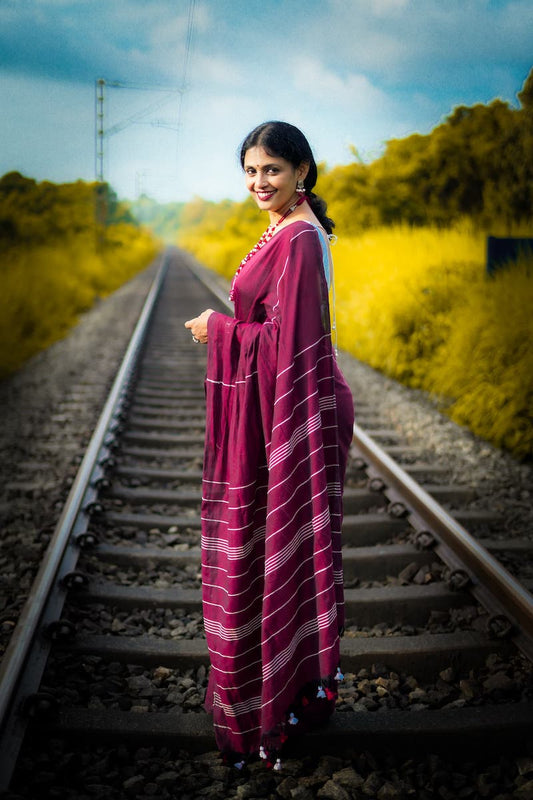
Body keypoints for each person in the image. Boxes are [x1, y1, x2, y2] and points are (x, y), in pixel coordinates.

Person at [184, 121, 354, 767]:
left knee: (278, 547)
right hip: (276, 407)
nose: (259, 182)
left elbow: (285, 345)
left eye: (272, 170)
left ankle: (278, 703)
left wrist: (220, 327)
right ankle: (275, 693)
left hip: (295, 409)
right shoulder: (289, 228)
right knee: (266, 546)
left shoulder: (301, 239)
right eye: (251, 170)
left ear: (303, 171)